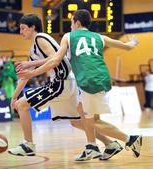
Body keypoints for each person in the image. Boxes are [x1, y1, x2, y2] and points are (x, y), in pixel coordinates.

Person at [17, 9, 142, 161]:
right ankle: (96, 146)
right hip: (101, 77)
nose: (70, 26)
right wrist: (133, 42)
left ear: (77, 22)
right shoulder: (99, 37)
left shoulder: (69, 37)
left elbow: (55, 60)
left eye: (71, 23)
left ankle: (130, 139)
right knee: (81, 114)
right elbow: (126, 46)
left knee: (91, 120)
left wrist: (32, 73)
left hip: (88, 80)